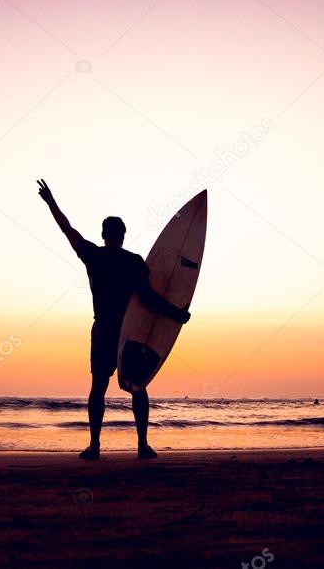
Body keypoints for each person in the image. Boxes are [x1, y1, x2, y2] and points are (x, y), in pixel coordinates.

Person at [37, 179, 190, 460]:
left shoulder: (93, 256)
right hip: (130, 332)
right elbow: (149, 299)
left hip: (104, 329)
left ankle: (94, 446)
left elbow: (67, 231)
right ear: (123, 235)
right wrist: (175, 314)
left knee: (98, 387)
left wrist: (51, 203)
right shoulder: (133, 262)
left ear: (103, 234)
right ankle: (143, 446)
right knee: (138, 386)